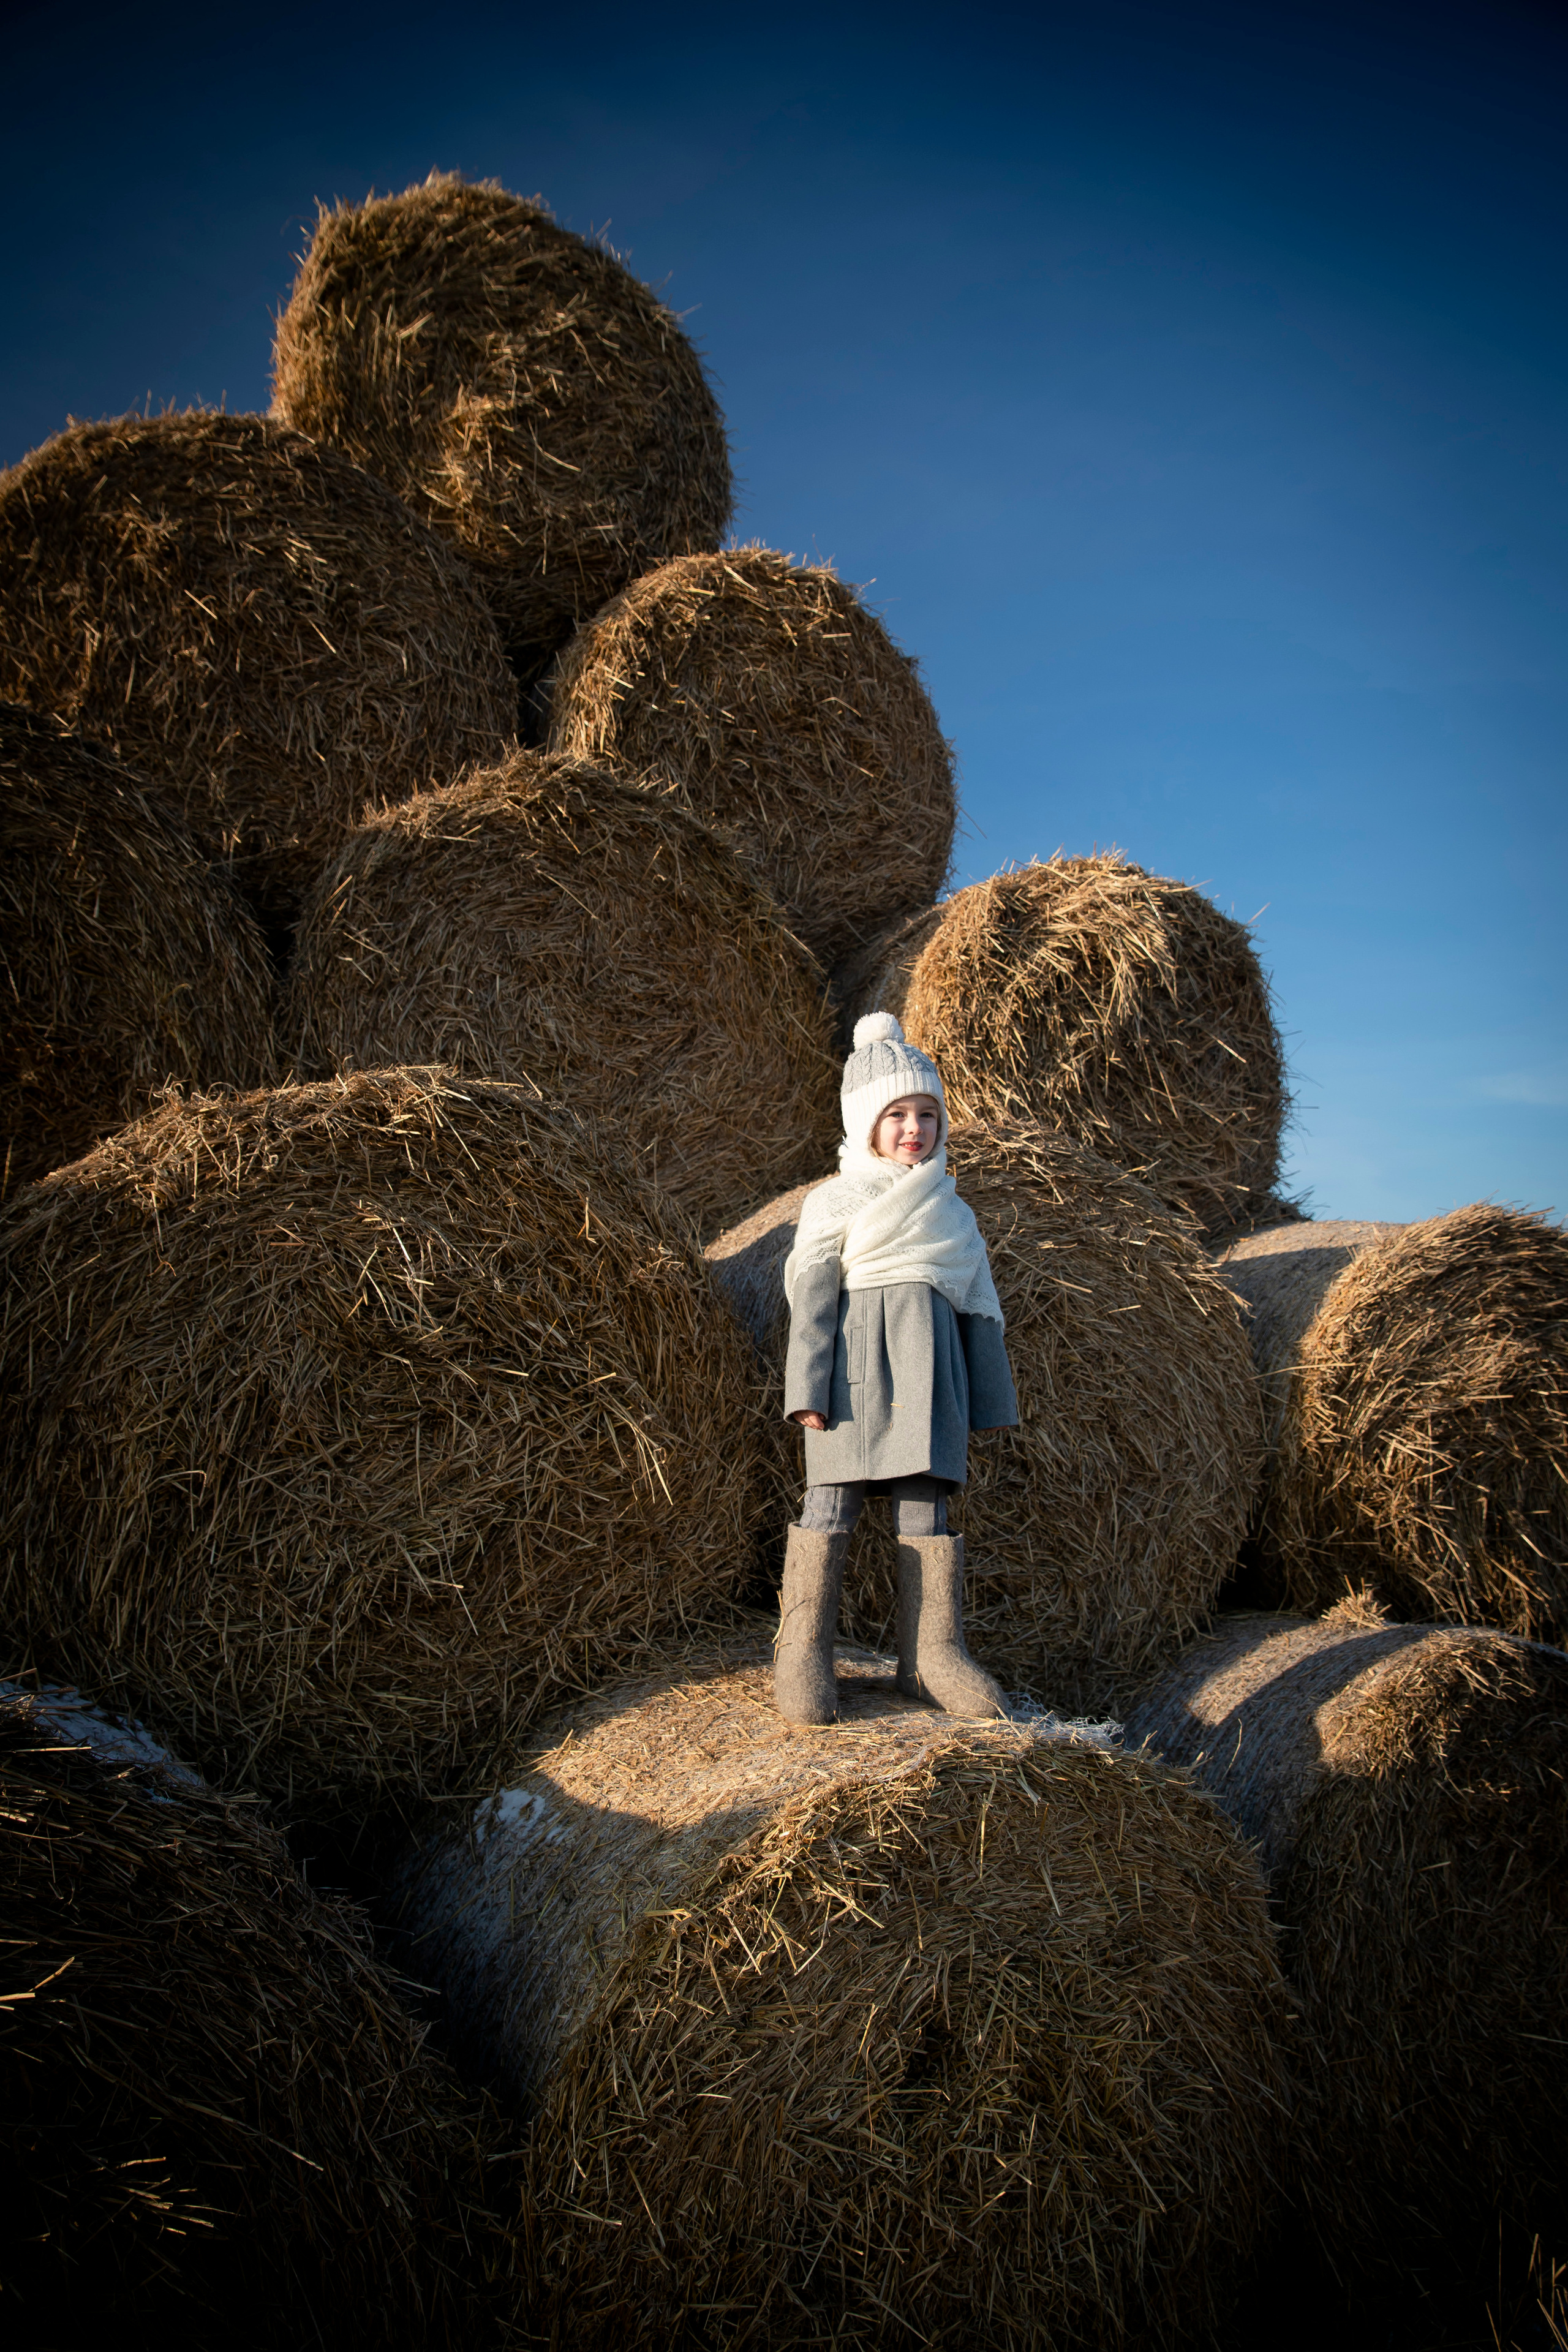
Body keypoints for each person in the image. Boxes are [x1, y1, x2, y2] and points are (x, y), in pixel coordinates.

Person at [775, 1010, 1019, 1724]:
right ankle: (802, 1651)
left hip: (929, 1383)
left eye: (927, 1113)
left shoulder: (952, 1213)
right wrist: (806, 1390)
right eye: (897, 1114)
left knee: (926, 1512)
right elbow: (811, 1298)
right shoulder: (837, 1200)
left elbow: (979, 1308)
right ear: (865, 1121)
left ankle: (932, 1656)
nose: (914, 1128)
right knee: (830, 1505)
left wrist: (987, 1402)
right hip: (851, 1381)